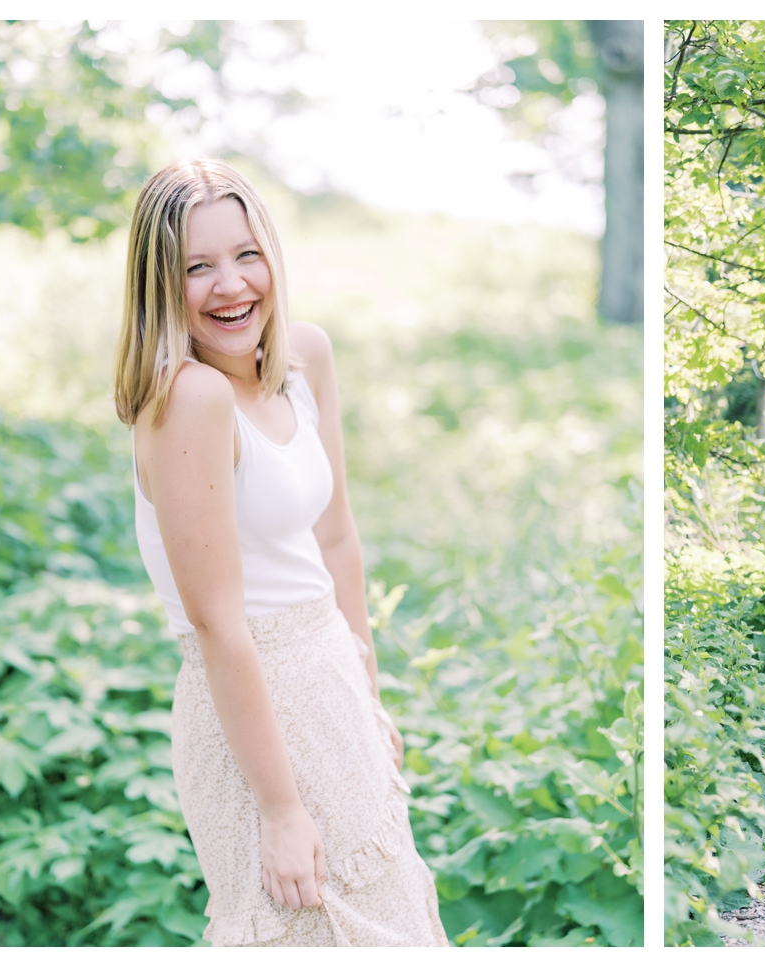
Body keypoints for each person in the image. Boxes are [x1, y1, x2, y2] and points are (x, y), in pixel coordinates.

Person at [113, 159, 448, 946]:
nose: (230, 286)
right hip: (253, 717)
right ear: (161, 285)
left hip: (330, 677)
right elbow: (220, 625)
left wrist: (366, 691)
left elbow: (336, 539)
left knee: (394, 921)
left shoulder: (305, 358)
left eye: (245, 255)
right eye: (197, 267)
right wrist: (281, 807)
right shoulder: (189, 398)